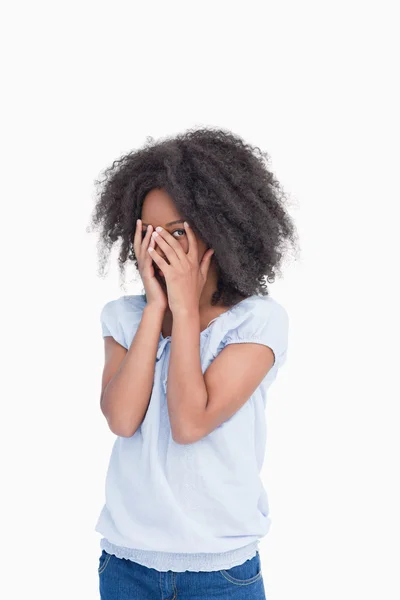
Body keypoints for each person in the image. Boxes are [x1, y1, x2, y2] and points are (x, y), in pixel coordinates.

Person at [89, 127, 299, 599]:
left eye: (178, 232)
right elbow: (122, 419)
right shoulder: (123, 318)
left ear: (222, 227)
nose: (161, 248)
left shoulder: (257, 324)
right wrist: (157, 311)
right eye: (150, 234)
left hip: (220, 574)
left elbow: (190, 421)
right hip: (127, 566)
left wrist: (185, 312)